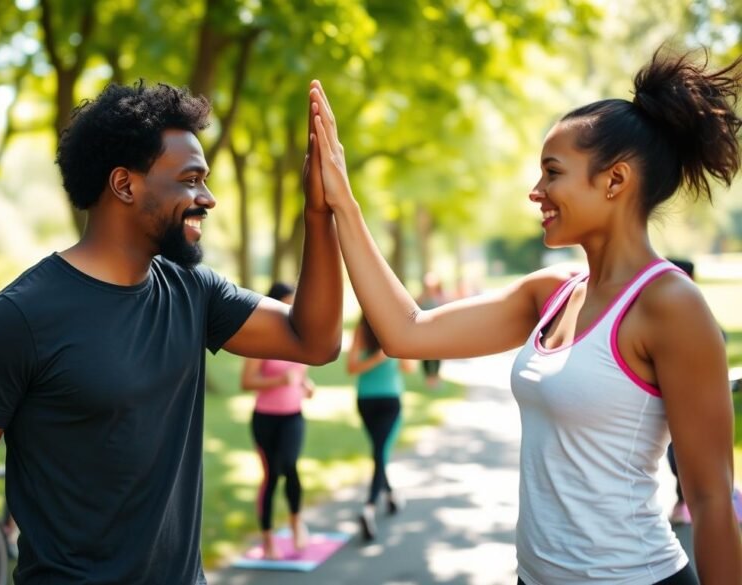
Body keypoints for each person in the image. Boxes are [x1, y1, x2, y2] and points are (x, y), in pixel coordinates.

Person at [309, 47, 742, 584]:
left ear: (615, 180)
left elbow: (711, 498)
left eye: (552, 173)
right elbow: (405, 332)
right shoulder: (552, 293)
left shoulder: (671, 307)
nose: (536, 192)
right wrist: (342, 202)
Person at [0, 80, 343, 585]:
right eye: (190, 180)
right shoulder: (18, 319)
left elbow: (314, 341)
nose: (207, 198)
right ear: (124, 185)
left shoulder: (193, 292)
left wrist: (320, 211)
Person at [240, 281, 315, 559]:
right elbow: (247, 381)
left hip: (293, 416)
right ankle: (268, 540)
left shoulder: (299, 338)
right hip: (265, 419)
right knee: (271, 476)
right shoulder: (260, 340)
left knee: (290, 467)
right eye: (286, 303)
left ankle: (296, 525)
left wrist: (306, 386)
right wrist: (280, 380)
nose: (291, 310)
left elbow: (301, 376)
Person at [346, 312, 405, 541]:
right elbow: (351, 367)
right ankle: (368, 507)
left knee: (380, 452)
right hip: (380, 400)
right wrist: (380, 358)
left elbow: (408, 366)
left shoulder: (388, 331)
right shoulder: (368, 331)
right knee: (380, 452)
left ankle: (390, 497)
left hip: (370, 400)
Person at [415, 272, 446, 388]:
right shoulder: (422, 297)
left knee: (438, 355)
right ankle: (429, 378)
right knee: (426, 356)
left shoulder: (440, 297)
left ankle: (435, 377)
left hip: (438, 332)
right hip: (425, 332)